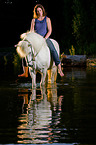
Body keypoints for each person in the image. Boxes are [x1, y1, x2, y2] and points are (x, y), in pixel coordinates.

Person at [18, 4, 64, 77]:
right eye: (37, 11)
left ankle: (59, 69)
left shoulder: (47, 19)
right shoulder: (34, 20)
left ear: (43, 11)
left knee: (53, 50)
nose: (39, 12)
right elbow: (31, 32)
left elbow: (50, 30)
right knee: (25, 50)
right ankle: (25, 72)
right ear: (36, 12)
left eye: (40, 10)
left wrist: (44, 38)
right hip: (36, 40)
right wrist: (24, 41)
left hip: (45, 38)